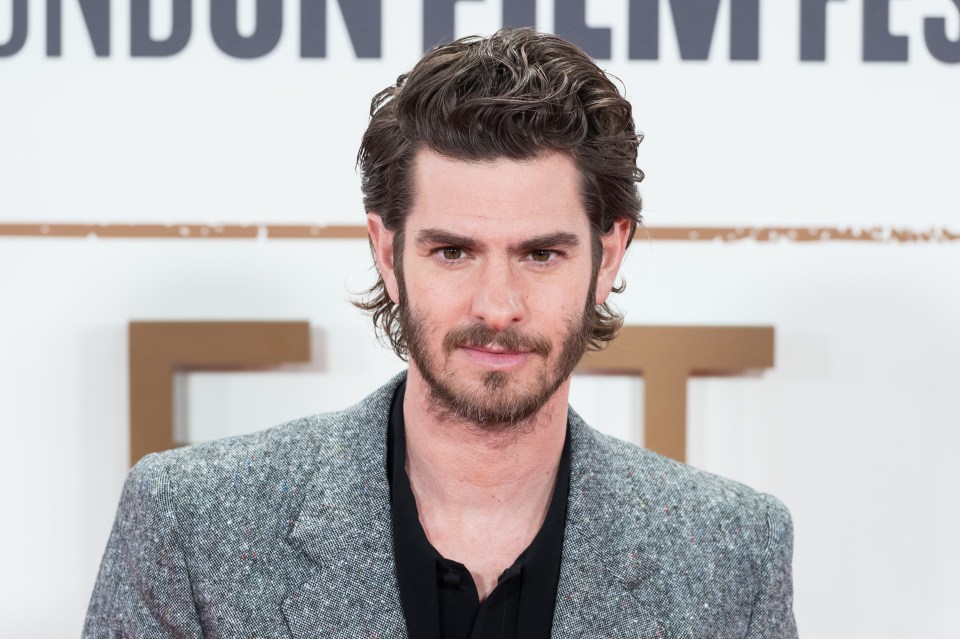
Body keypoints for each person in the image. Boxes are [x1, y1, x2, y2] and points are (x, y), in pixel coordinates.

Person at [84, 28, 797, 638]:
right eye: (452, 251)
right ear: (387, 252)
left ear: (607, 255)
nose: (496, 306)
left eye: (540, 253)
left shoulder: (731, 555)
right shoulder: (191, 527)